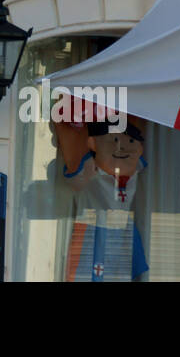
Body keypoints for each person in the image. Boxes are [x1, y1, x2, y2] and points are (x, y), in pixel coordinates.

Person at [55, 114, 149, 281]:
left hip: (123, 229)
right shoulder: (89, 168)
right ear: (93, 144)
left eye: (130, 141)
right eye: (113, 140)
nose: (122, 147)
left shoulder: (134, 166)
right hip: (95, 227)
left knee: (120, 273)